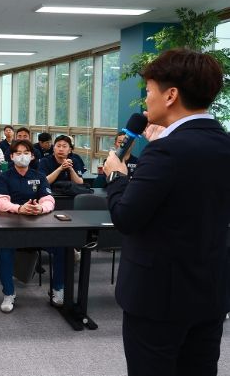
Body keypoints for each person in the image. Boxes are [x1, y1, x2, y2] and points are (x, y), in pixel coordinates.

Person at [103, 49, 230, 376]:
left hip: (157, 297)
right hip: (210, 290)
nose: (146, 101)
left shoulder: (166, 152)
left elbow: (126, 217)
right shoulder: (221, 144)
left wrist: (116, 175)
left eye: (148, 91)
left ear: (171, 95)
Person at [0, 140, 63, 313]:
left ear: (32, 156)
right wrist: (19, 208)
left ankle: (58, 289)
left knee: (63, 246)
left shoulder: (39, 176)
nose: (22, 156)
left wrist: (41, 208)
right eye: (18, 153)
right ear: (11, 156)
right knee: (3, 250)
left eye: (26, 153)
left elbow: (49, 199)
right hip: (12, 227)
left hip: (38, 226)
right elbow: (0, 201)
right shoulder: (3, 177)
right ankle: (9, 293)